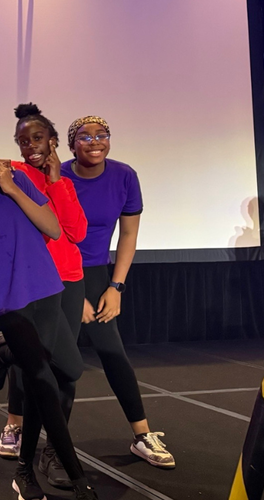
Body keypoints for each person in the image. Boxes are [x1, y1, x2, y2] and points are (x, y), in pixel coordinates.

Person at [0, 131, 97, 500]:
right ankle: (74, 479)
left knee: (70, 370)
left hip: (47, 289)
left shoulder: (17, 182)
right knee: (43, 381)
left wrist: (12, 188)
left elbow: (53, 228)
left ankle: (6, 351)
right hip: (11, 304)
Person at [61, 115, 175, 469]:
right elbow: (46, 237)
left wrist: (115, 286)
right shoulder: (58, 177)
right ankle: (17, 427)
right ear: (71, 144)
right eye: (85, 136)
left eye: (102, 135)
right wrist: (71, 294)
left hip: (97, 272)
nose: (95, 141)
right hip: (57, 271)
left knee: (112, 351)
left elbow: (128, 235)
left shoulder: (124, 176)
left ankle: (142, 435)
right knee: (46, 354)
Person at [0, 103, 88, 489]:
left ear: (52, 141)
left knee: (66, 373)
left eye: (37, 138)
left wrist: (56, 181)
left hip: (71, 280)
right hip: (37, 285)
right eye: (23, 141)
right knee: (47, 369)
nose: (30, 146)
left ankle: (52, 450)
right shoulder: (14, 174)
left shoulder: (61, 180)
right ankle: (25, 451)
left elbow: (77, 232)